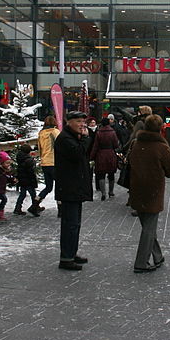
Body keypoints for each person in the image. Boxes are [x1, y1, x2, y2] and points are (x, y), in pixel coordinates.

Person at [128, 114, 170, 273]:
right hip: (153, 190)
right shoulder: (162, 147)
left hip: (137, 187)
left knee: (148, 225)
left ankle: (157, 256)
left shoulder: (136, 143)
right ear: (161, 128)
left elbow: (130, 161)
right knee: (149, 228)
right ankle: (141, 262)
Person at [53, 111, 93, 271]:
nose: (82, 125)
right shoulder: (65, 139)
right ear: (69, 122)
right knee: (70, 224)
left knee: (74, 224)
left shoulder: (73, 137)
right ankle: (66, 258)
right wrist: (85, 138)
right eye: (79, 121)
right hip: (69, 188)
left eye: (84, 122)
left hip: (75, 188)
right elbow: (77, 154)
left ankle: (71, 252)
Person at [32, 115, 60, 214]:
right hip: (54, 162)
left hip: (45, 162)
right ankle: (60, 209)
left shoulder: (41, 133)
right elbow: (60, 147)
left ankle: (35, 204)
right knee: (59, 186)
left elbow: (40, 149)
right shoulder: (55, 132)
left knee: (48, 187)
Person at [90, 117, 120, 200]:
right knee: (111, 174)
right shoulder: (113, 132)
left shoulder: (99, 133)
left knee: (101, 174)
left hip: (101, 155)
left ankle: (103, 193)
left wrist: (91, 157)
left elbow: (95, 146)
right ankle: (111, 192)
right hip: (111, 154)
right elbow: (116, 145)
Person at [13, 145, 39, 217]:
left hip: (22, 179)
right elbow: (31, 172)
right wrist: (34, 181)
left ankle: (17, 208)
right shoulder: (29, 160)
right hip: (29, 180)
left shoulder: (20, 158)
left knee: (22, 194)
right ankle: (35, 208)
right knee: (33, 195)